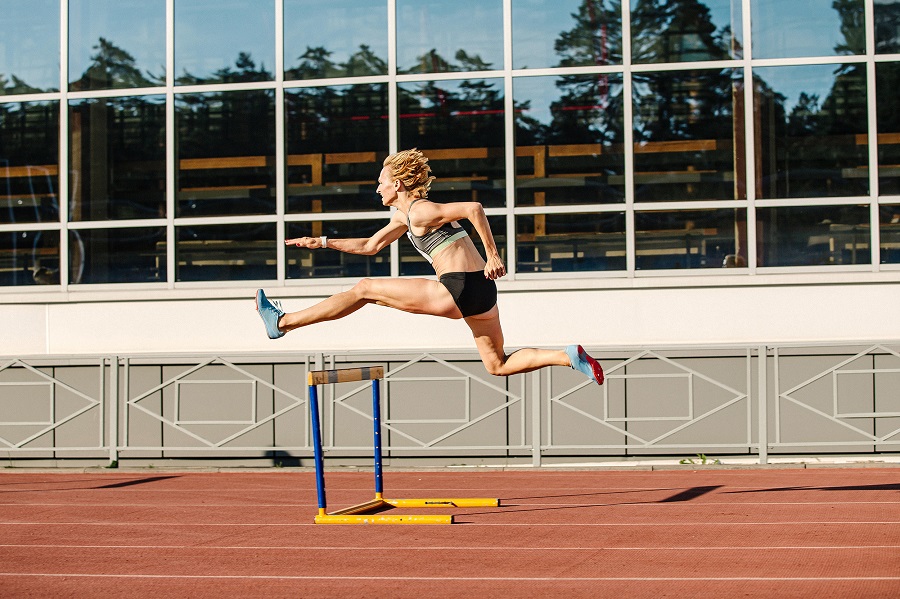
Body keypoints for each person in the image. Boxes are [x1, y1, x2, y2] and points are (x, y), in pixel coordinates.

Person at [255, 148, 603, 385]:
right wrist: (323, 242)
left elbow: (474, 209)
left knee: (364, 290)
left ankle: (282, 323)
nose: (377, 189)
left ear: (398, 184)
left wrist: (494, 255)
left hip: (457, 287)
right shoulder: (405, 216)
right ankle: (567, 356)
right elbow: (370, 245)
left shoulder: (420, 210)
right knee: (497, 364)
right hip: (482, 295)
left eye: (381, 182)